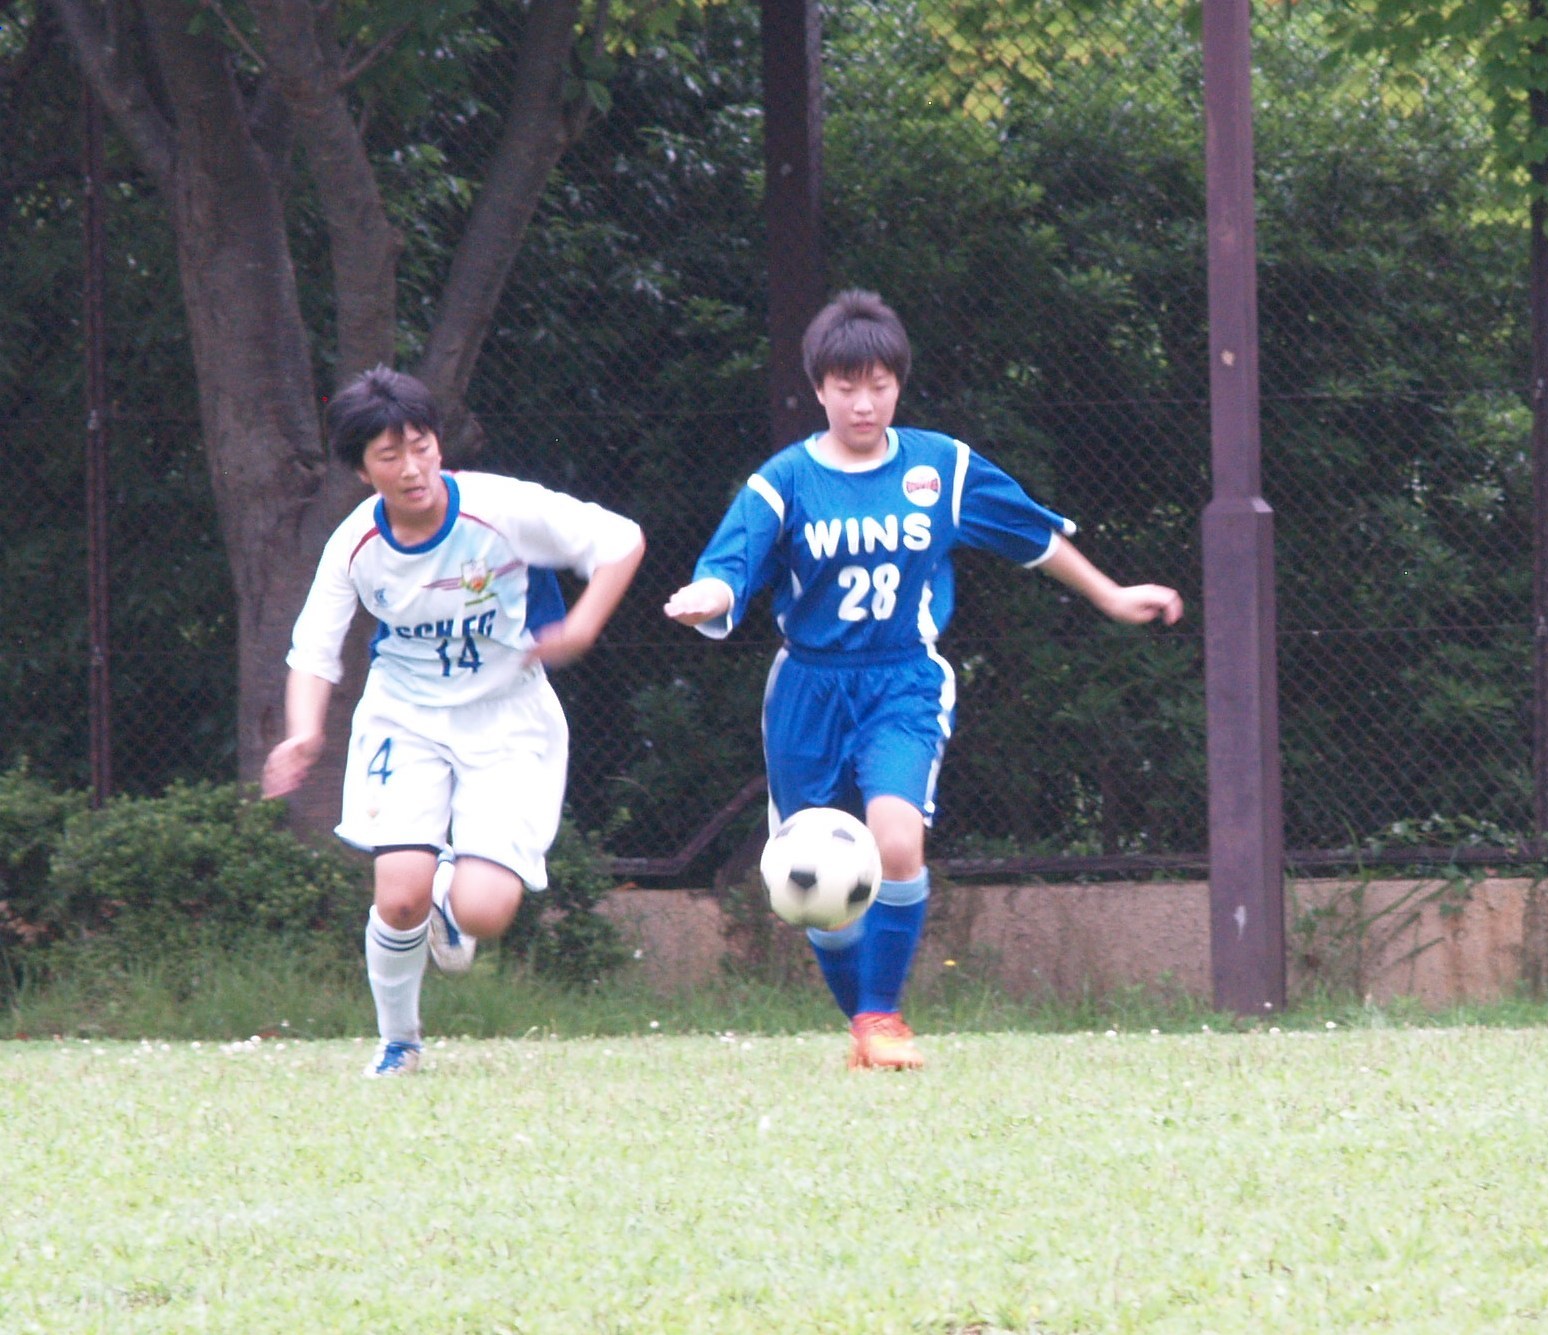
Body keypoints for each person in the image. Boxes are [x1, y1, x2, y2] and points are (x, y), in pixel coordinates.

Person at [664, 290, 1182, 1070]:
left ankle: (880, 1017)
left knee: (897, 840)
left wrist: (1110, 594)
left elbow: (1031, 537)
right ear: (818, 387)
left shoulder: (941, 466)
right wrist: (710, 594)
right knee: (815, 891)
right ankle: (865, 1028)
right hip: (807, 691)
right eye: (845, 387)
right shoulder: (784, 482)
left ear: (898, 383)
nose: (863, 403)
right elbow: (729, 564)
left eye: (878, 385)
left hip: (902, 681)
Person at [262, 366, 644, 1077]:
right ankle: (399, 1041)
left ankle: (452, 896)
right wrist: (304, 731)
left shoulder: (500, 510)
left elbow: (619, 540)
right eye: (389, 455)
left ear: (438, 443)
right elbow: (312, 652)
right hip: (402, 718)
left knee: (486, 911)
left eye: (421, 445)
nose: (412, 468)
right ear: (361, 468)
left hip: (507, 720)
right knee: (396, 890)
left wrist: (584, 625)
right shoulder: (353, 544)